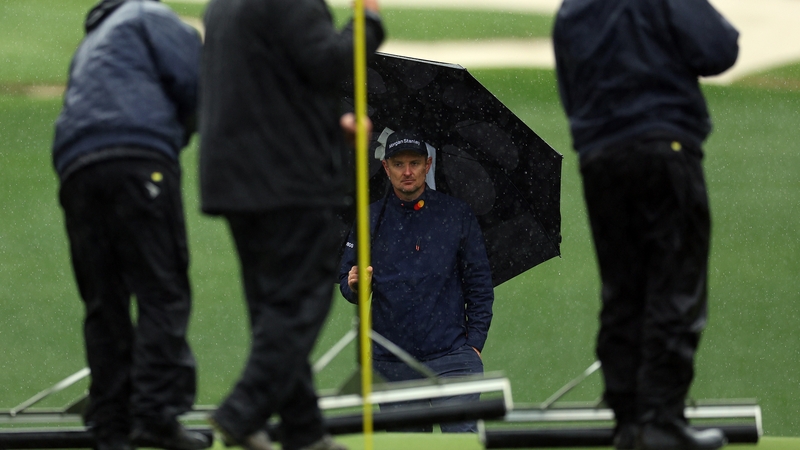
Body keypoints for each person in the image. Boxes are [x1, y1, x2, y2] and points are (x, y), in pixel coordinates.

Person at [198, 0, 385, 449]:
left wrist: (327, 126)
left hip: (238, 179)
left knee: (275, 307)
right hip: (285, 182)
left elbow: (272, 88)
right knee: (300, 304)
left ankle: (303, 431)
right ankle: (243, 410)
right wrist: (368, 23)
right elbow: (329, 62)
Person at [553, 0, 739, 449]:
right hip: (663, 145)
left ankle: (629, 420)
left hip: (601, 158)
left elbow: (571, 90)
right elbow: (720, 49)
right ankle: (659, 420)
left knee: (624, 289)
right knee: (673, 283)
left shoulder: (571, 10)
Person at [51, 1, 205, 450]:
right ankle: (155, 416)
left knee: (105, 301)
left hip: (76, 171)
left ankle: (110, 427)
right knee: (162, 289)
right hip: (137, 160)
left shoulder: (90, 45)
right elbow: (195, 82)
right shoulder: (146, 15)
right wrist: (181, 135)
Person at [338, 130, 495, 433]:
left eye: (414, 163)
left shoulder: (456, 214)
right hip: (392, 362)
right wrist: (356, 286)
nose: (407, 172)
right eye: (398, 164)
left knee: (461, 444)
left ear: (428, 165)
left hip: (453, 358)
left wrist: (474, 344)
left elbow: (479, 284)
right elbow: (350, 284)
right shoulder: (369, 218)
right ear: (386, 168)